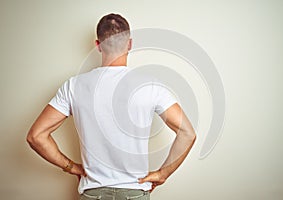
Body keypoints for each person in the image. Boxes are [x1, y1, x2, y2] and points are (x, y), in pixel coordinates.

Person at [27, 13, 196, 200]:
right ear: (130, 44)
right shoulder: (151, 86)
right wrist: (163, 173)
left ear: (97, 45)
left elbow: (36, 136)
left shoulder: (74, 86)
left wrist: (72, 167)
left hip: (93, 193)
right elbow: (187, 133)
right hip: (135, 192)